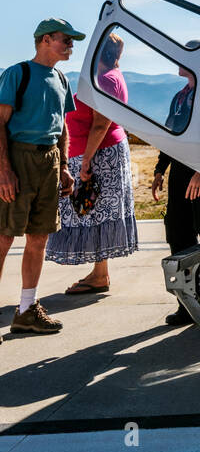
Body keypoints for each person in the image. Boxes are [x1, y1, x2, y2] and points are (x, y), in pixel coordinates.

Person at [0, 19, 82, 335]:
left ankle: (26, 311)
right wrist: (4, 171)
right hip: (17, 158)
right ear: (46, 40)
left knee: (39, 237)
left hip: (48, 160)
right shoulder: (17, 74)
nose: (71, 45)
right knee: (5, 236)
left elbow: (61, 127)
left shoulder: (61, 79)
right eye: (66, 40)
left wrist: (62, 167)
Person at [45, 31, 138, 292]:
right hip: (101, 152)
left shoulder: (106, 79)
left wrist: (86, 162)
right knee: (94, 211)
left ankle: (100, 275)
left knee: (92, 210)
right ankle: (99, 272)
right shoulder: (109, 77)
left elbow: (100, 123)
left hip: (100, 155)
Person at [151, 64, 200, 326]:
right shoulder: (180, 97)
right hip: (180, 176)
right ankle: (187, 305)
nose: (179, 63)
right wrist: (160, 170)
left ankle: (197, 301)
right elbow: (171, 136)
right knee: (178, 235)